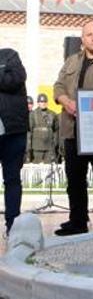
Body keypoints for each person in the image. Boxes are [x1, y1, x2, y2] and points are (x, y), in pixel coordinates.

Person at [53, 21, 93, 235]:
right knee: (75, 180)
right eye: (89, 34)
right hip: (73, 129)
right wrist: (65, 101)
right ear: (82, 39)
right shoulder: (72, 61)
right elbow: (58, 86)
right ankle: (78, 222)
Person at [0, 47, 28, 235]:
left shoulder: (9, 55)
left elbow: (13, 80)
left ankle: (12, 224)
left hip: (12, 131)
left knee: (12, 179)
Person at [28, 93, 59, 164]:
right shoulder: (33, 114)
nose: (43, 103)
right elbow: (30, 131)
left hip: (49, 147)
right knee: (36, 167)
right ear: (38, 103)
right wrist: (29, 146)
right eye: (41, 102)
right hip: (36, 147)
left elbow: (56, 130)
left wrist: (55, 143)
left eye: (45, 102)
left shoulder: (52, 114)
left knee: (49, 167)